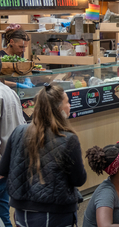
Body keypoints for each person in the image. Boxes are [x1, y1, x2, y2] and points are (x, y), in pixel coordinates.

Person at [0, 84, 86, 227]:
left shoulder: (18, 132)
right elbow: (79, 179)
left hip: (21, 213)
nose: (69, 106)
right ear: (59, 108)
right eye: (67, 102)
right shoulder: (68, 139)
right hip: (55, 213)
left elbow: (3, 170)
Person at [0, 80, 26, 227]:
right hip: (9, 164)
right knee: (3, 214)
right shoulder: (10, 92)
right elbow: (21, 126)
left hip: (2, 166)